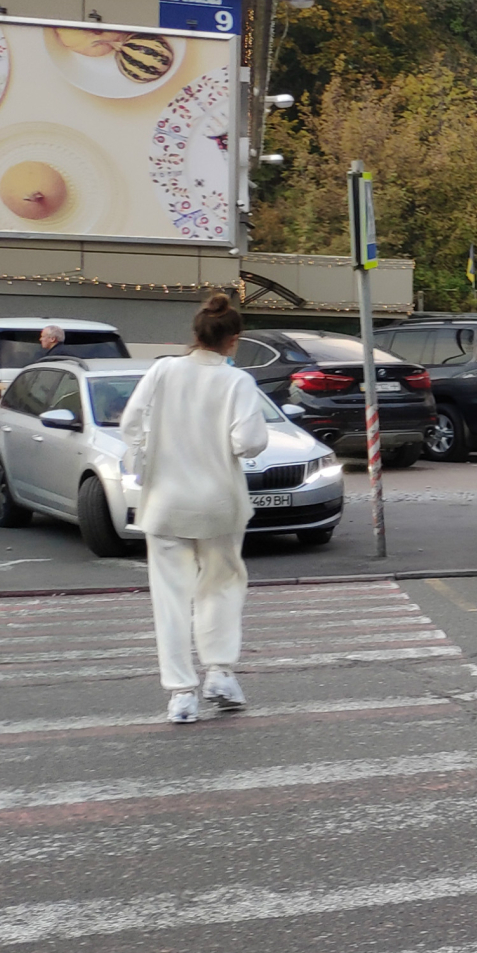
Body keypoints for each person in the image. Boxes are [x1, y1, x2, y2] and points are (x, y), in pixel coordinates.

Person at [119, 294, 271, 723]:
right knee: (221, 586)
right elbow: (249, 442)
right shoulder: (237, 382)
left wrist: (143, 457)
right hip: (220, 501)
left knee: (169, 597)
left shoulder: (164, 369)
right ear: (233, 340)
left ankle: (181, 695)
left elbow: (131, 421)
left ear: (195, 333)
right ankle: (220, 672)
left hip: (167, 502)